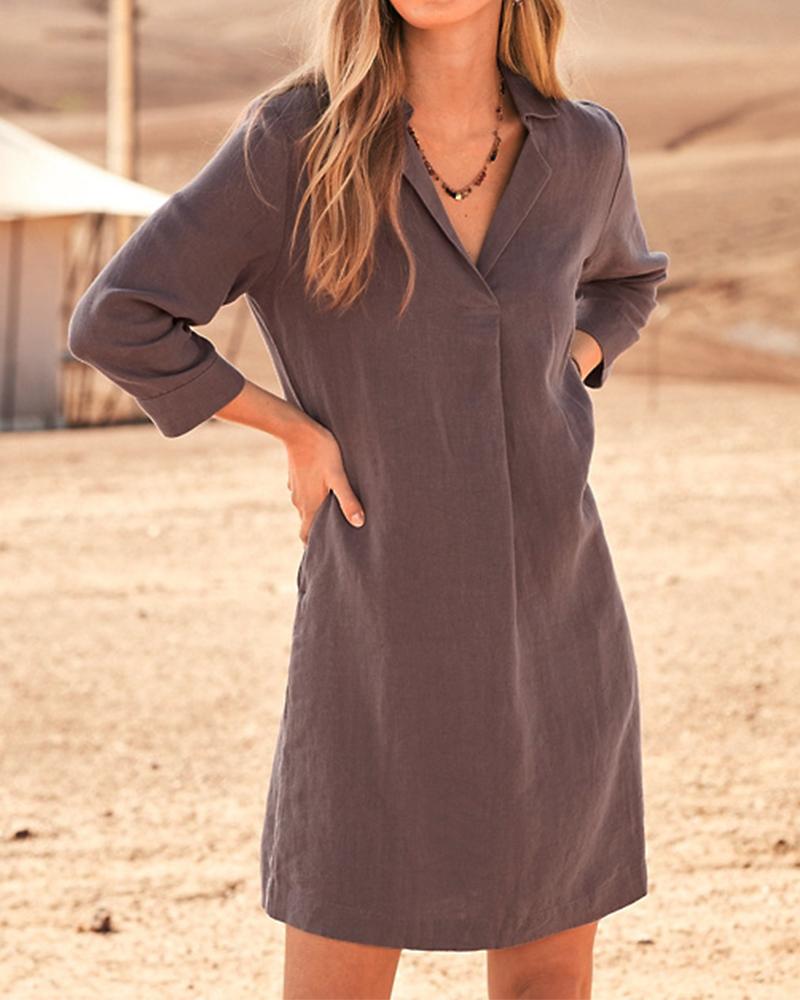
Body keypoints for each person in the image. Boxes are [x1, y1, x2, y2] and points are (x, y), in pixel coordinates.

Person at [68, 0, 669, 996]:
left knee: (546, 978)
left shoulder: (583, 147)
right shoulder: (294, 143)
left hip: (559, 620)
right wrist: (292, 428)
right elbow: (120, 317)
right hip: (378, 620)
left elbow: (627, 282)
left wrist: (561, 363)